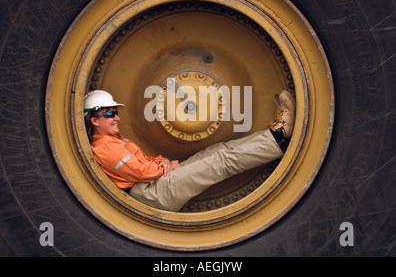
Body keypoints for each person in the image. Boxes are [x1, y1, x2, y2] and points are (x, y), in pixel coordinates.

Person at [83, 89, 295, 211]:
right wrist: (166, 166)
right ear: (94, 120)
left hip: (154, 184)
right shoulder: (103, 147)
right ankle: (278, 137)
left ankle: (273, 137)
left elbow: (144, 161)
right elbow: (140, 172)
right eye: (110, 114)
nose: (117, 118)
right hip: (151, 194)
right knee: (219, 162)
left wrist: (163, 161)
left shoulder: (113, 140)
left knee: (215, 151)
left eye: (115, 113)